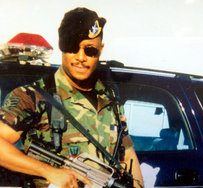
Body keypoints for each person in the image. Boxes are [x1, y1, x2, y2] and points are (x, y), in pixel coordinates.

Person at [0, 7, 144, 188]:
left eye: (90, 50)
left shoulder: (110, 98)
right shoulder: (33, 96)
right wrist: (48, 171)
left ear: (101, 49)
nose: (81, 57)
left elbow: (127, 152)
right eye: (72, 47)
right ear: (62, 46)